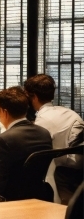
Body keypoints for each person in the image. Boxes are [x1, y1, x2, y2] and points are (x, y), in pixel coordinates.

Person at [0, 86, 52, 201]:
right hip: (38, 197)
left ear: (4, 112)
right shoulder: (44, 133)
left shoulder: (4, 139)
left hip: (10, 200)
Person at [24, 74, 84, 202]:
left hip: (62, 179)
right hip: (79, 176)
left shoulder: (42, 120)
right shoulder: (70, 113)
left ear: (33, 97)